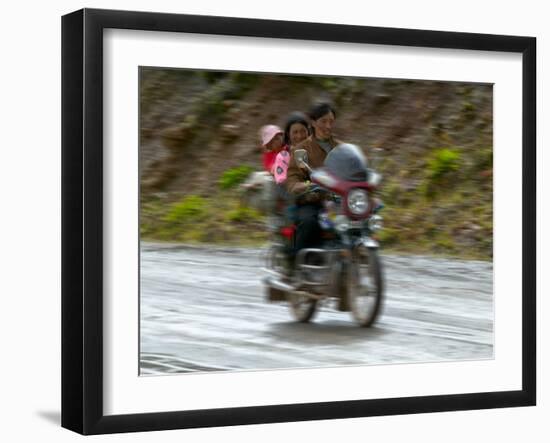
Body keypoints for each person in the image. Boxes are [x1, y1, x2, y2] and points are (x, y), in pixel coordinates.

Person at [285, 102, 341, 257]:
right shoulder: (301, 150)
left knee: (361, 221)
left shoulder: (341, 147)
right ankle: (294, 262)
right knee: (309, 222)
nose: (328, 125)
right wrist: (306, 185)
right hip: (312, 201)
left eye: (331, 121)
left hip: (337, 202)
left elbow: (353, 172)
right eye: (323, 121)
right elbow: (293, 179)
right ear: (313, 122)